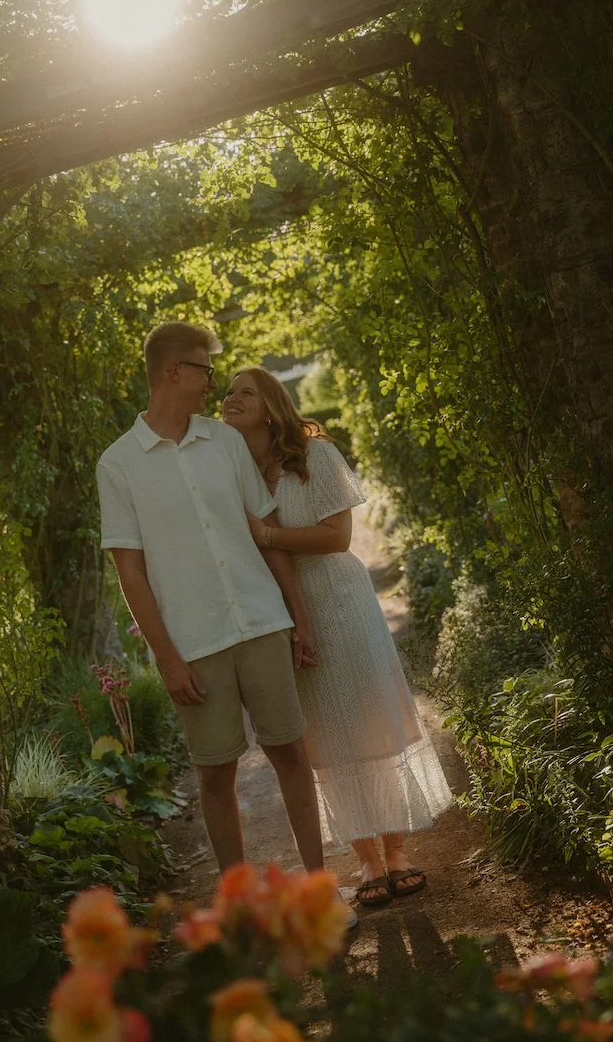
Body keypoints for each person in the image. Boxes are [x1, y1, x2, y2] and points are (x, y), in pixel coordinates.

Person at [97, 323, 339, 897]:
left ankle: (321, 892)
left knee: (291, 756)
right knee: (215, 775)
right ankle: (242, 910)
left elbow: (269, 534)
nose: (213, 384)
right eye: (206, 370)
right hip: (194, 644)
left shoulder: (225, 443)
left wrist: (299, 619)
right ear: (173, 372)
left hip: (261, 621)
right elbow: (129, 570)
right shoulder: (118, 465)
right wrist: (167, 658)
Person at [222, 366, 454, 905]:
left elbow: (337, 536)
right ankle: (368, 860)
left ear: (271, 402)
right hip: (282, 609)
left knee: (371, 720)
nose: (231, 398)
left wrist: (270, 534)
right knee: (322, 737)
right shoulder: (233, 474)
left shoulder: (315, 456)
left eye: (244, 391)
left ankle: (396, 851)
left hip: (341, 599)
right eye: (227, 392)